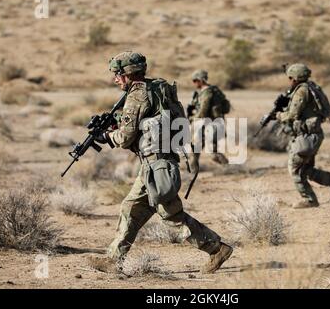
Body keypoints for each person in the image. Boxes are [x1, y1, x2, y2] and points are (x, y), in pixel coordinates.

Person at [96, 52, 233, 273]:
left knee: (171, 215)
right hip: (155, 162)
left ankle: (217, 249)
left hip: (157, 164)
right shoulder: (157, 87)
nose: (115, 79)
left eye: (117, 74)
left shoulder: (137, 95)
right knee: (130, 208)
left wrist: (107, 136)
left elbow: (125, 138)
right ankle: (114, 259)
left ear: (128, 74)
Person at [272, 63, 330, 209]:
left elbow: (293, 114)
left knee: (295, 169)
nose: (289, 80)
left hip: (307, 137)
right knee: (305, 170)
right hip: (311, 136)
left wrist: (278, 115)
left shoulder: (302, 91)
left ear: (295, 78)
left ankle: (310, 200)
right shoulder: (310, 86)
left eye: (290, 77)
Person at [187, 69, 230, 172]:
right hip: (206, 125)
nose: (194, 83)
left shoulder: (207, 93)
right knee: (195, 149)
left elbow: (202, 112)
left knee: (212, 153)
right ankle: (193, 171)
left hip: (212, 125)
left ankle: (229, 168)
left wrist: (191, 118)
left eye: (195, 80)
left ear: (201, 80)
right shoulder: (208, 91)